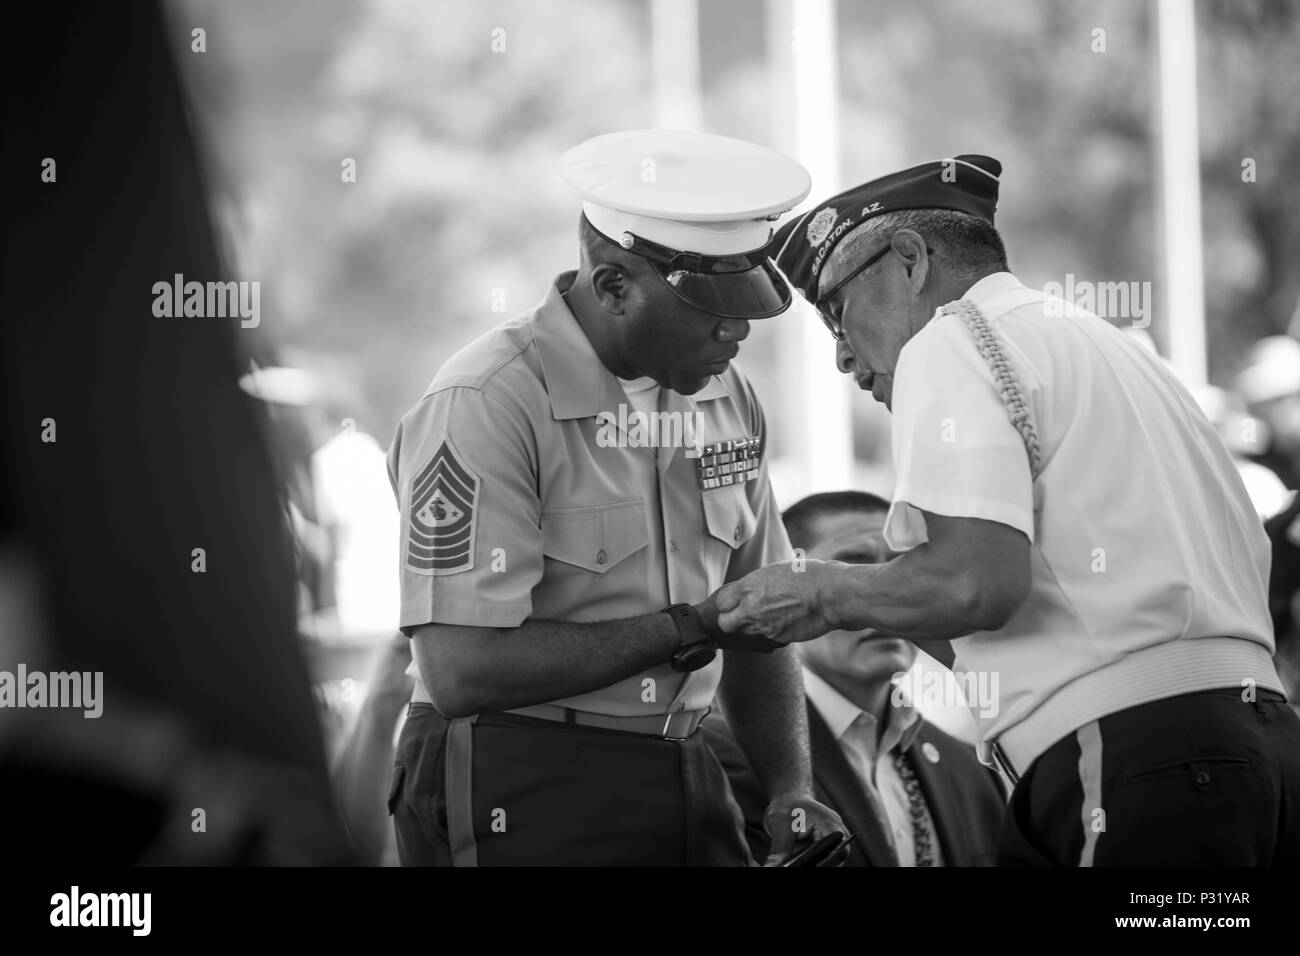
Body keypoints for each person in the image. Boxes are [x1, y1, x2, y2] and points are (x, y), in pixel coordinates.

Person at [715, 154, 1300, 866]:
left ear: (908, 260)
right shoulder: (1115, 348)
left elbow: (975, 586)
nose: (841, 355)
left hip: (1135, 761)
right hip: (1254, 748)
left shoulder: (951, 337)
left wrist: (819, 590)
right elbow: (1033, 603)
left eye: (838, 310)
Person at [386, 130, 848, 866]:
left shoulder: (726, 395)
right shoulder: (486, 400)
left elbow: (755, 619)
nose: (738, 330)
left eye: (747, 304)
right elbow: (461, 669)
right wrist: (687, 627)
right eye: (713, 308)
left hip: (688, 762)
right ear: (612, 287)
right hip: (521, 765)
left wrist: (790, 787)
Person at [704, 491, 1004, 866]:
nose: (883, 599)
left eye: (902, 572)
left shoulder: (972, 770)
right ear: (779, 592)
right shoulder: (719, 756)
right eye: (852, 571)